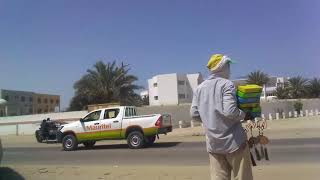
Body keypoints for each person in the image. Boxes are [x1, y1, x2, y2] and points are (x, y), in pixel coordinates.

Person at [190, 54, 253, 180]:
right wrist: (244, 115)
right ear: (222, 67)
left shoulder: (199, 88)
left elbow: (194, 115)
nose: (230, 69)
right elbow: (230, 111)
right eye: (228, 66)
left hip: (213, 145)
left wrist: (210, 119)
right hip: (234, 143)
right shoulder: (227, 84)